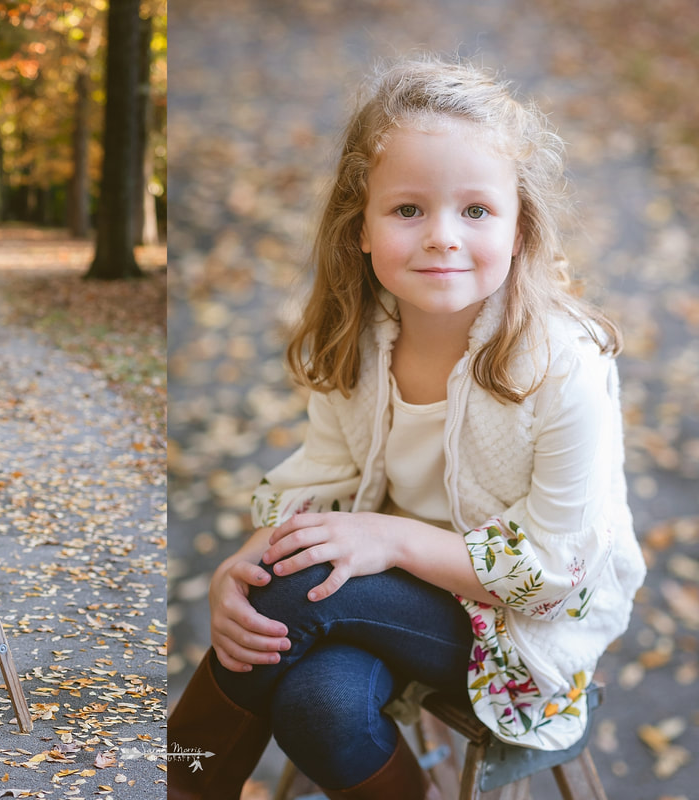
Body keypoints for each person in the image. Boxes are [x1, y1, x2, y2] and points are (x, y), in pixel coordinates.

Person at [167, 55, 646, 800]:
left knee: (291, 595)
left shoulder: (562, 366)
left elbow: (555, 573)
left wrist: (388, 538)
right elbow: (321, 481)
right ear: (360, 226)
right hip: (388, 591)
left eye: (477, 211)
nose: (443, 237)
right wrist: (242, 567)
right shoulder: (357, 337)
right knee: (316, 704)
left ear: (521, 228)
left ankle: (179, 781)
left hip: (522, 627)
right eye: (408, 209)